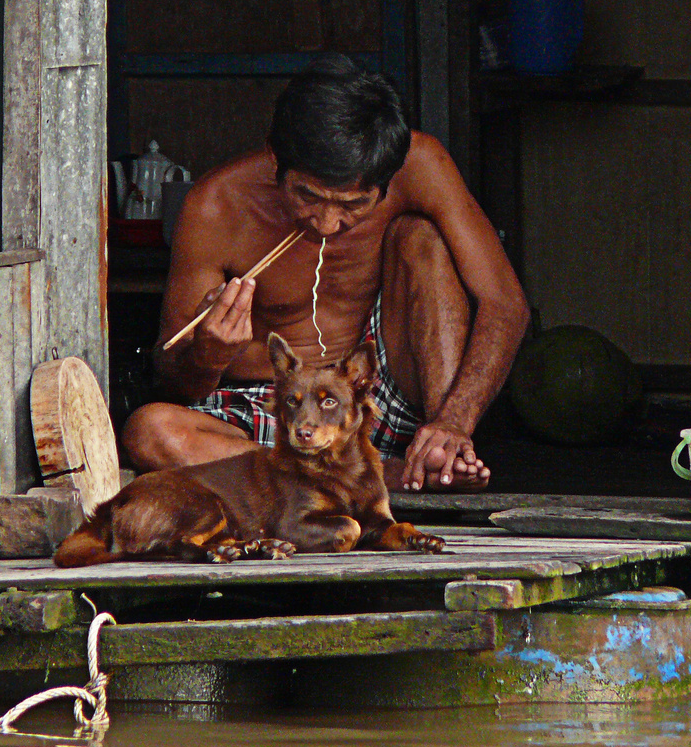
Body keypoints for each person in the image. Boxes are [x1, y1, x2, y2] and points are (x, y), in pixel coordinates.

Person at [122, 55, 530, 491]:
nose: (327, 224)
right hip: (269, 412)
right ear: (276, 157)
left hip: (378, 397)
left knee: (421, 239)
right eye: (308, 196)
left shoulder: (423, 164)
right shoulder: (216, 205)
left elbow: (505, 303)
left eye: (354, 204)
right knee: (148, 431)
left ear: (390, 178)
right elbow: (174, 380)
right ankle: (380, 478)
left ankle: (440, 451)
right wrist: (209, 351)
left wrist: (453, 420)